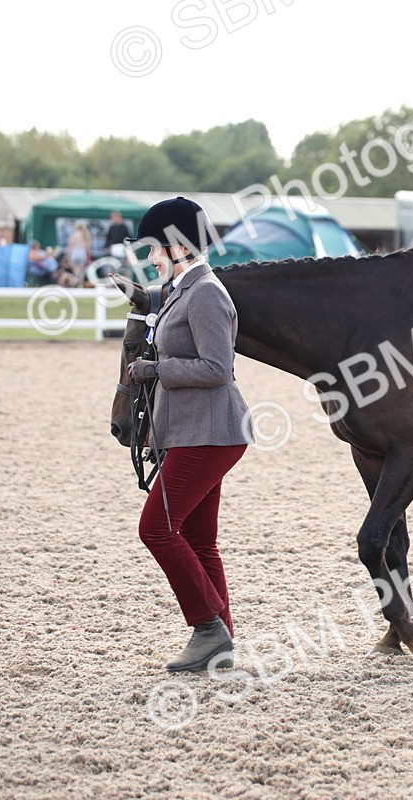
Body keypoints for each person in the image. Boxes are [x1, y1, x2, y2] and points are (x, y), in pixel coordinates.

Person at [124, 196, 255, 672]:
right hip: (195, 430)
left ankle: (206, 628)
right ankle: (222, 642)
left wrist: (157, 368)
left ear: (178, 246)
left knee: (155, 528)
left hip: (210, 431)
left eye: (155, 249)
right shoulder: (181, 290)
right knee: (200, 541)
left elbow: (217, 368)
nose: (151, 258)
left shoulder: (206, 293)